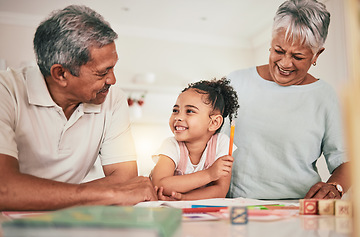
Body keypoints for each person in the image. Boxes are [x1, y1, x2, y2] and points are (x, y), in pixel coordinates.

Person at [0, 5, 157, 211]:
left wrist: (34, 194)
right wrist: (101, 194)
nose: (113, 79)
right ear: (61, 74)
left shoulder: (113, 100)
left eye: (112, 67)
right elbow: (5, 189)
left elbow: (124, 179)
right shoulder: (6, 91)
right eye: (102, 73)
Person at [224, 0, 350, 200]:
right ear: (271, 41)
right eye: (279, 51)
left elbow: (345, 161)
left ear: (317, 54)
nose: (284, 63)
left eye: (298, 57)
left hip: (298, 210)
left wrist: (335, 187)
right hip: (238, 207)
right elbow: (201, 141)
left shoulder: (324, 96)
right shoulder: (236, 82)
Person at [151, 78, 239, 200]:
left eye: (190, 111)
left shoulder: (221, 144)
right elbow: (160, 184)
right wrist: (209, 174)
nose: (178, 117)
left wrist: (184, 198)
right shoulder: (171, 145)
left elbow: (220, 191)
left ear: (214, 123)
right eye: (175, 110)